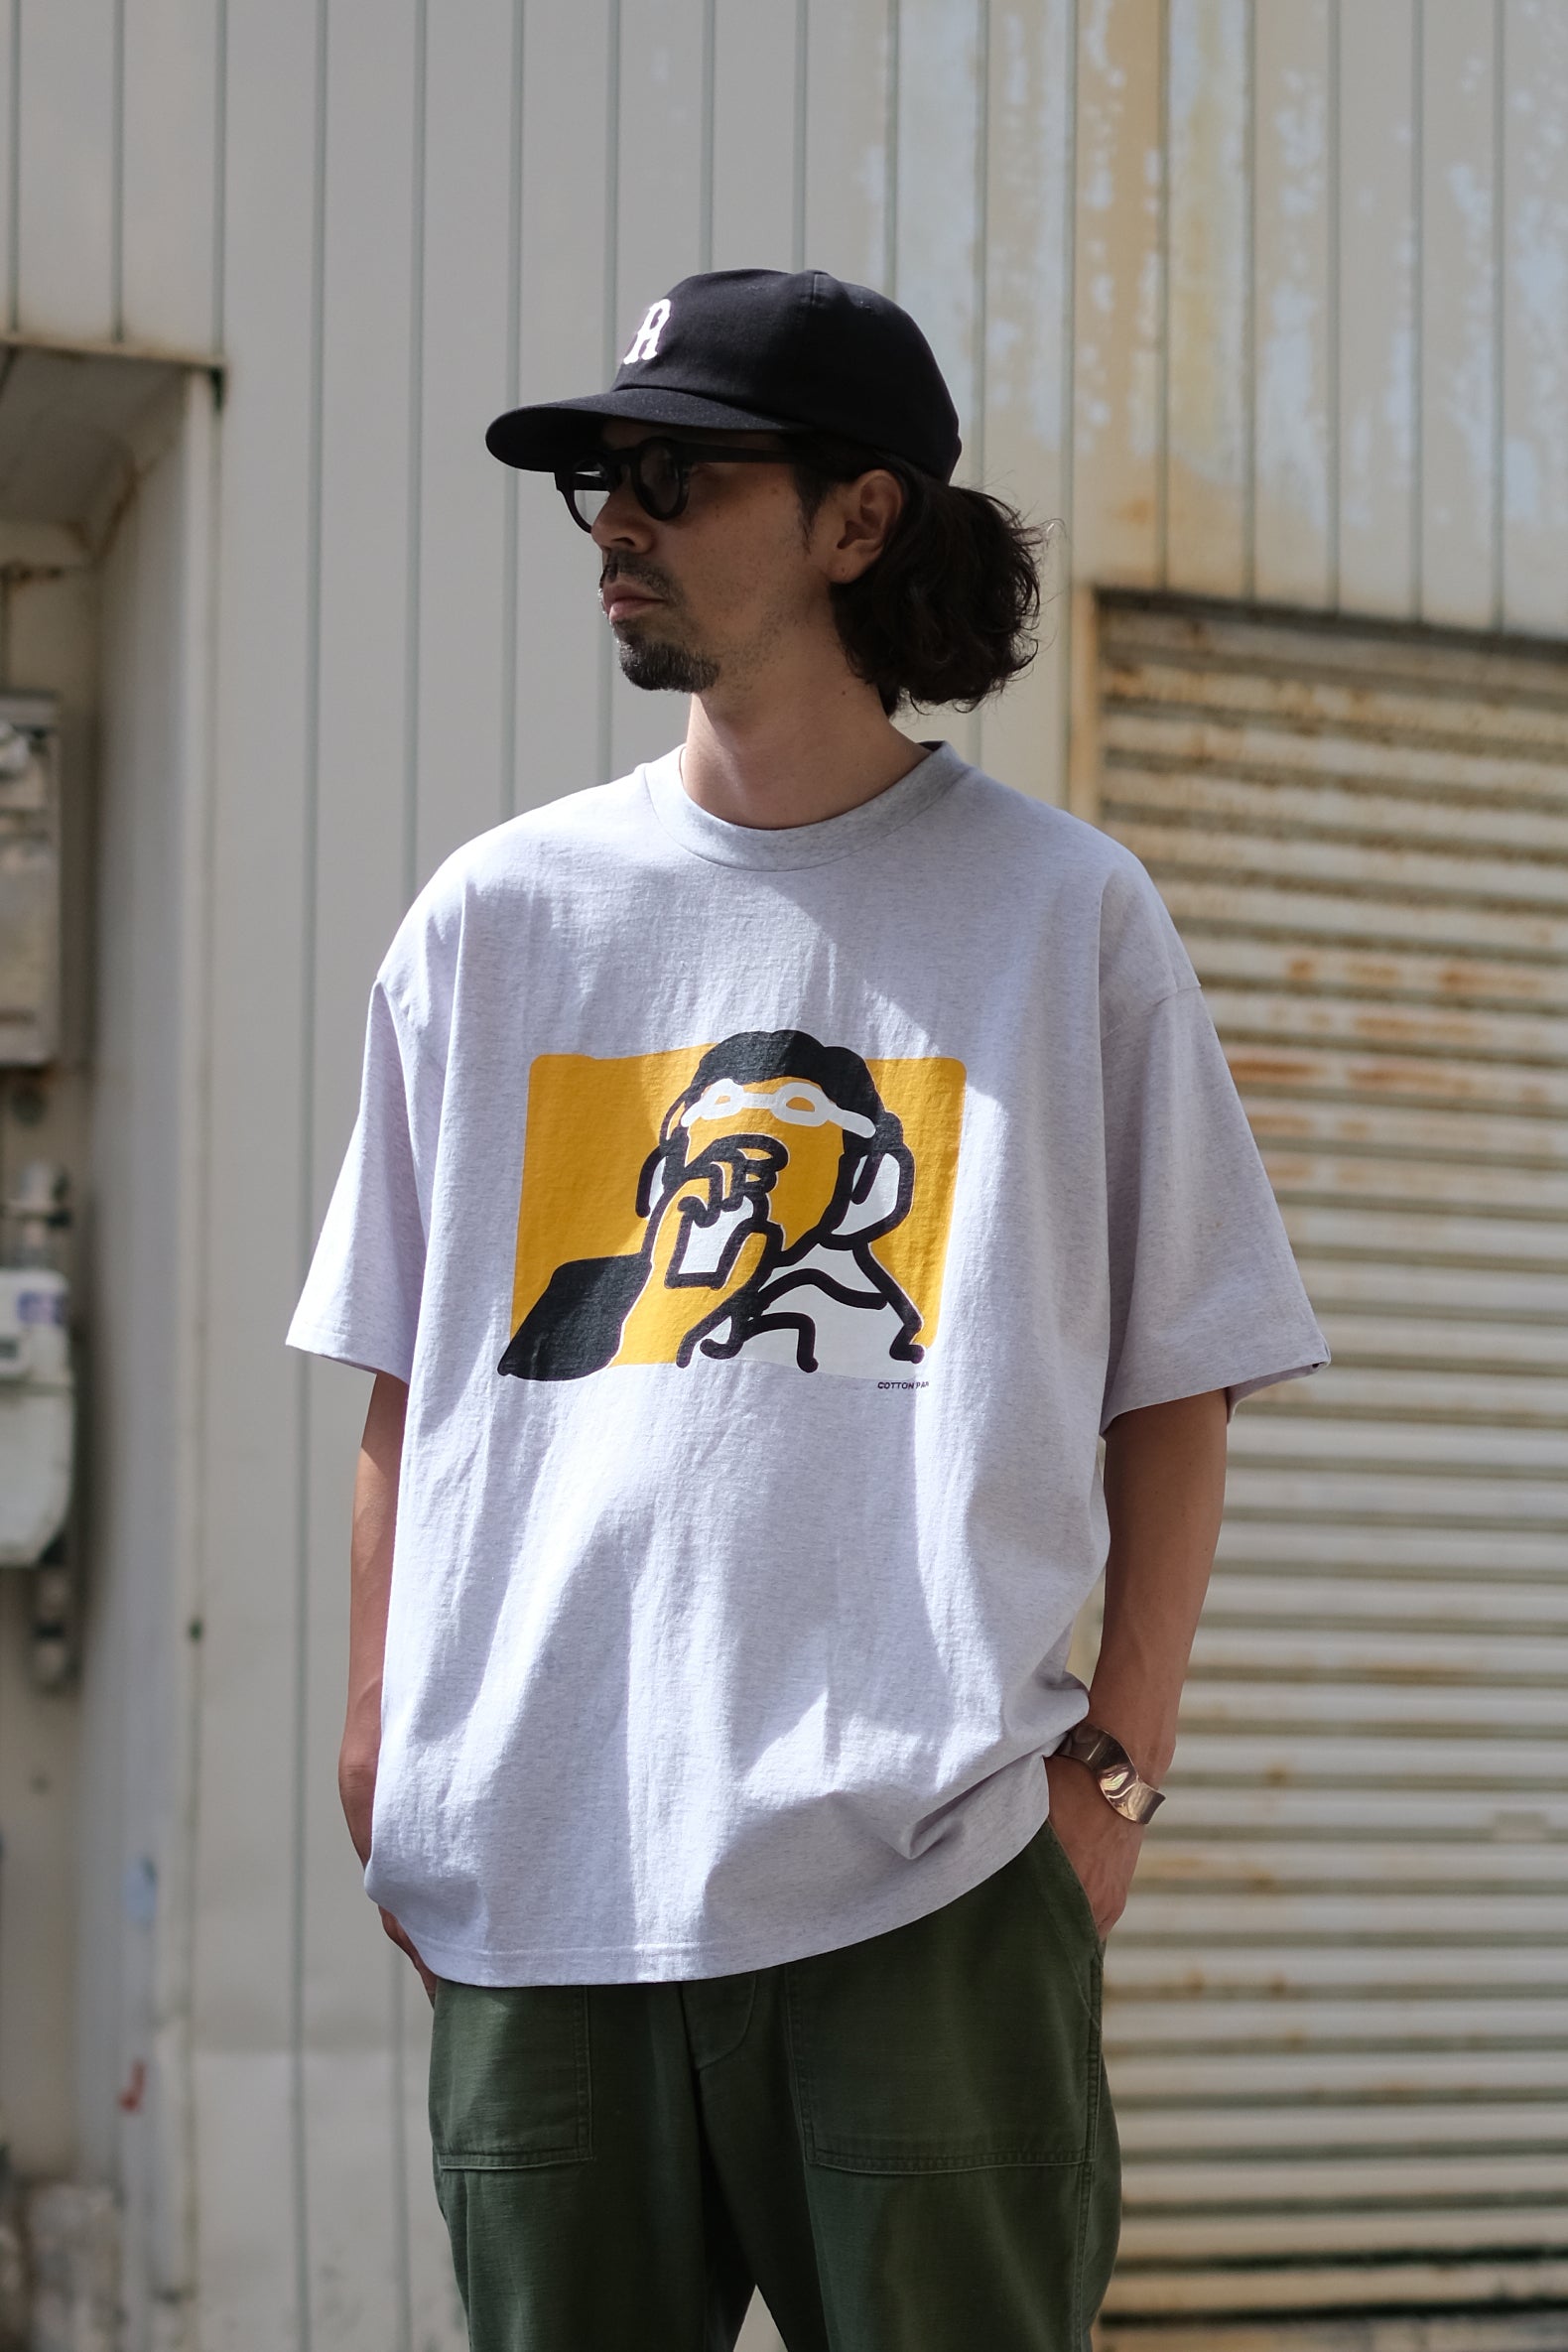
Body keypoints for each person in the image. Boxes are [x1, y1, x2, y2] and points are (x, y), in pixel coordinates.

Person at [288, 266, 1327, 2352]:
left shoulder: (1059, 915)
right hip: (544, 1879)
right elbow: (409, 1381)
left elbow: (1183, 1375)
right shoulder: (497, 918)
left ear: (860, 520)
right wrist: (386, 1746)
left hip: (921, 1886)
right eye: (600, 477)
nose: (616, 520)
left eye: (676, 476)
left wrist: (1115, 1771)